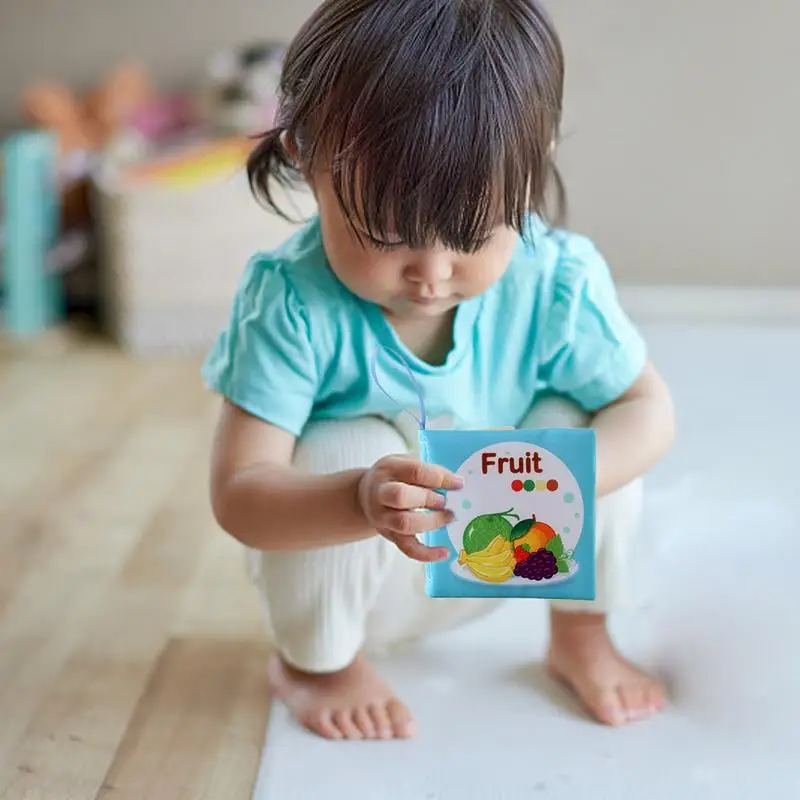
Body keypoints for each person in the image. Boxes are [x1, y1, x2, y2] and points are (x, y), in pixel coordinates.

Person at [203, 0, 676, 741]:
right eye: (387, 236)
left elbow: (649, 410)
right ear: (303, 150)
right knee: (342, 444)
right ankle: (318, 666)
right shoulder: (290, 302)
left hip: (516, 543)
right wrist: (358, 499)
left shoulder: (555, 281)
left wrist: (564, 478)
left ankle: (582, 635)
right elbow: (240, 496)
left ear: (535, 159)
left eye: (471, 235)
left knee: (586, 425)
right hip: (364, 569)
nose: (431, 273)